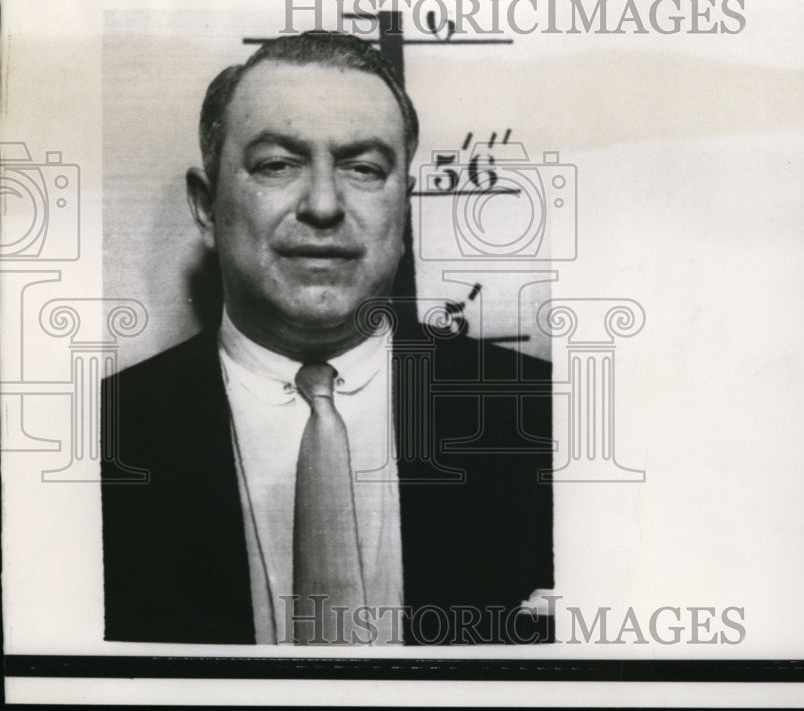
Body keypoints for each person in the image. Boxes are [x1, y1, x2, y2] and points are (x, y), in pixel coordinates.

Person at [101, 32, 553, 646]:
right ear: (207, 206)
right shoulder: (99, 433)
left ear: (404, 209)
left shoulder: (546, 416)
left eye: (364, 168)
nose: (322, 205)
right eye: (277, 165)